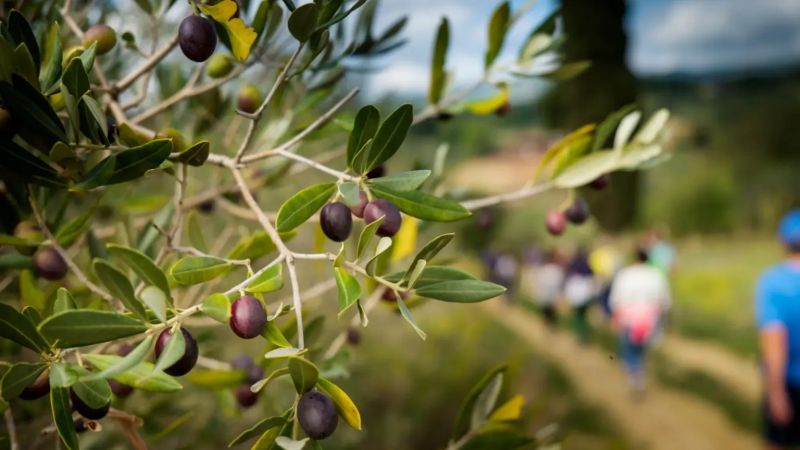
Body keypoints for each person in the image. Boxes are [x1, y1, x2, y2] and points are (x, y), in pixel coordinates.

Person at [755, 209, 800, 449]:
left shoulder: (772, 281)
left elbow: (775, 342)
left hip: (791, 383)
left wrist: (776, 393)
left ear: (783, 241)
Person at [609, 247, 671, 396]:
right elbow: (665, 300)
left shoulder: (625, 274)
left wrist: (615, 316)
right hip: (650, 319)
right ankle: (639, 377)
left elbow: (616, 299)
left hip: (628, 319)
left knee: (630, 350)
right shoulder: (656, 275)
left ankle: (634, 379)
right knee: (642, 350)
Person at [523, 249, 566, 328]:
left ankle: (548, 325)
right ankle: (549, 325)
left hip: (547, 296)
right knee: (549, 312)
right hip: (549, 296)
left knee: (547, 312)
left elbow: (540, 282)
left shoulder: (546, 269)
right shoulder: (556, 270)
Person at [564, 247, 596, 343]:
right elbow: (592, 277)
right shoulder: (587, 264)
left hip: (577, 294)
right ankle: (583, 335)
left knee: (578, 316)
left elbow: (569, 277)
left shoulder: (573, 264)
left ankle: (580, 335)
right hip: (585, 293)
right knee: (583, 316)